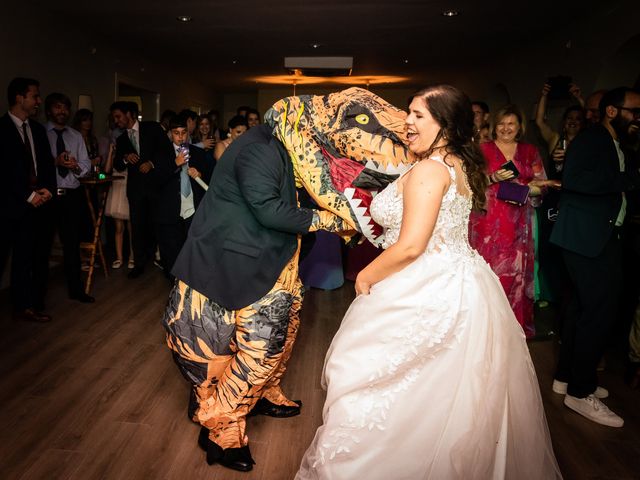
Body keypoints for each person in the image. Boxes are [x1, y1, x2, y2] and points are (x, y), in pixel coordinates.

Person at [296, 85, 561, 479]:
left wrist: (366, 275)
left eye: (418, 115)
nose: (407, 122)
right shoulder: (455, 164)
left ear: (446, 124)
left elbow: (412, 246)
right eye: (409, 113)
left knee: (391, 388)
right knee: (442, 396)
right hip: (460, 282)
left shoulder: (430, 170)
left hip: (424, 287)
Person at [550, 87, 640, 427]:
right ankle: (580, 391)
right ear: (613, 112)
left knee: (580, 308)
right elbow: (574, 180)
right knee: (598, 313)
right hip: (585, 238)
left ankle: (565, 377)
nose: (638, 118)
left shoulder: (619, 144)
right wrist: (631, 179)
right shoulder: (592, 139)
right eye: (635, 111)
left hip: (597, 236)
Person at [469, 104, 551, 337]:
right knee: (489, 271)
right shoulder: (481, 149)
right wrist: (492, 177)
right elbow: (466, 184)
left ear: (519, 127)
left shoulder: (529, 151)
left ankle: (511, 329)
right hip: (487, 221)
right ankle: (484, 327)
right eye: (502, 124)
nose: (506, 128)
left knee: (514, 271)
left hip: (518, 222)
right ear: (494, 126)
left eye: (511, 124)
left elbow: (542, 184)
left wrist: (527, 190)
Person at [0, 77, 56, 322]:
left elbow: (45, 165)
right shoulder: (0, 129)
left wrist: (48, 189)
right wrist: (27, 195)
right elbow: (2, 172)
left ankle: (25, 306)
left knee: (27, 259)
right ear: (19, 98)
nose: (38, 101)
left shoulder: (38, 130)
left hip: (36, 208)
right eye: (34, 96)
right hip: (8, 208)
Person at [43, 93, 94, 303]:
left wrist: (76, 167)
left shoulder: (75, 136)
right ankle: (38, 295)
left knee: (72, 245)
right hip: (47, 197)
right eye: (57, 107)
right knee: (42, 244)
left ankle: (76, 290)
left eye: (65, 107)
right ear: (49, 110)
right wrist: (54, 162)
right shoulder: (40, 134)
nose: (62, 111)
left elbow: (86, 165)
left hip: (71, 196)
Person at [111, 101, 169, 278]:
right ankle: (139, 264)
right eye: (114, 117)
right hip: (135, 190)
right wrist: (126, 158)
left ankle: (167, 263)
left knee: (159, 225)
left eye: (118, 116)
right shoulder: (121, 139)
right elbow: (118, 165)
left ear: (129, 114)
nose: (116, 120)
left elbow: (166, 151)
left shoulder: (152, 128)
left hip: (155, 187)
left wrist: (152, 163)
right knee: (137, 228)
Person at [152, 115, 213, 278]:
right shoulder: (161, 154)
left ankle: (190, 285)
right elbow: (155, 182)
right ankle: (174, 286)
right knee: (171, 252)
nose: (180, 137)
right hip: (169, 211)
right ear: (171, 134)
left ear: (188, 133)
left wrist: (199, 174)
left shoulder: (198, 153)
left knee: (193, 250)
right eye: (176, 133)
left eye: (183, 132)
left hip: (192, 209)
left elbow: (209, 179)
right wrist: (175, 164)